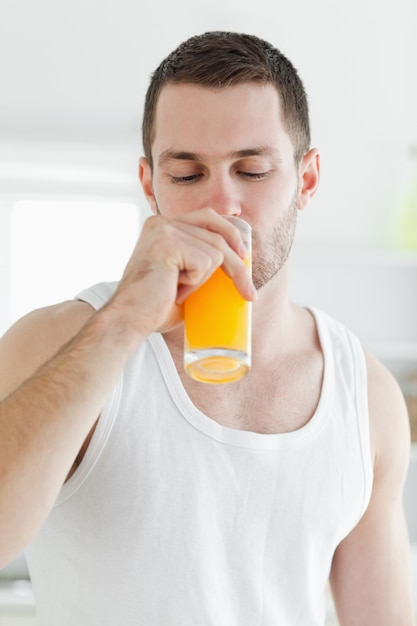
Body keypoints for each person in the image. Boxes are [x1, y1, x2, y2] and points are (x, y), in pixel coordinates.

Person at [0, 31, 415, 626]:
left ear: (309, 179)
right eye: (188, 175)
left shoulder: (365, 396)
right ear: (150, 186)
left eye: (252, 169)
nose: (222, 205)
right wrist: (122, 322)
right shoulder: (56, 342)